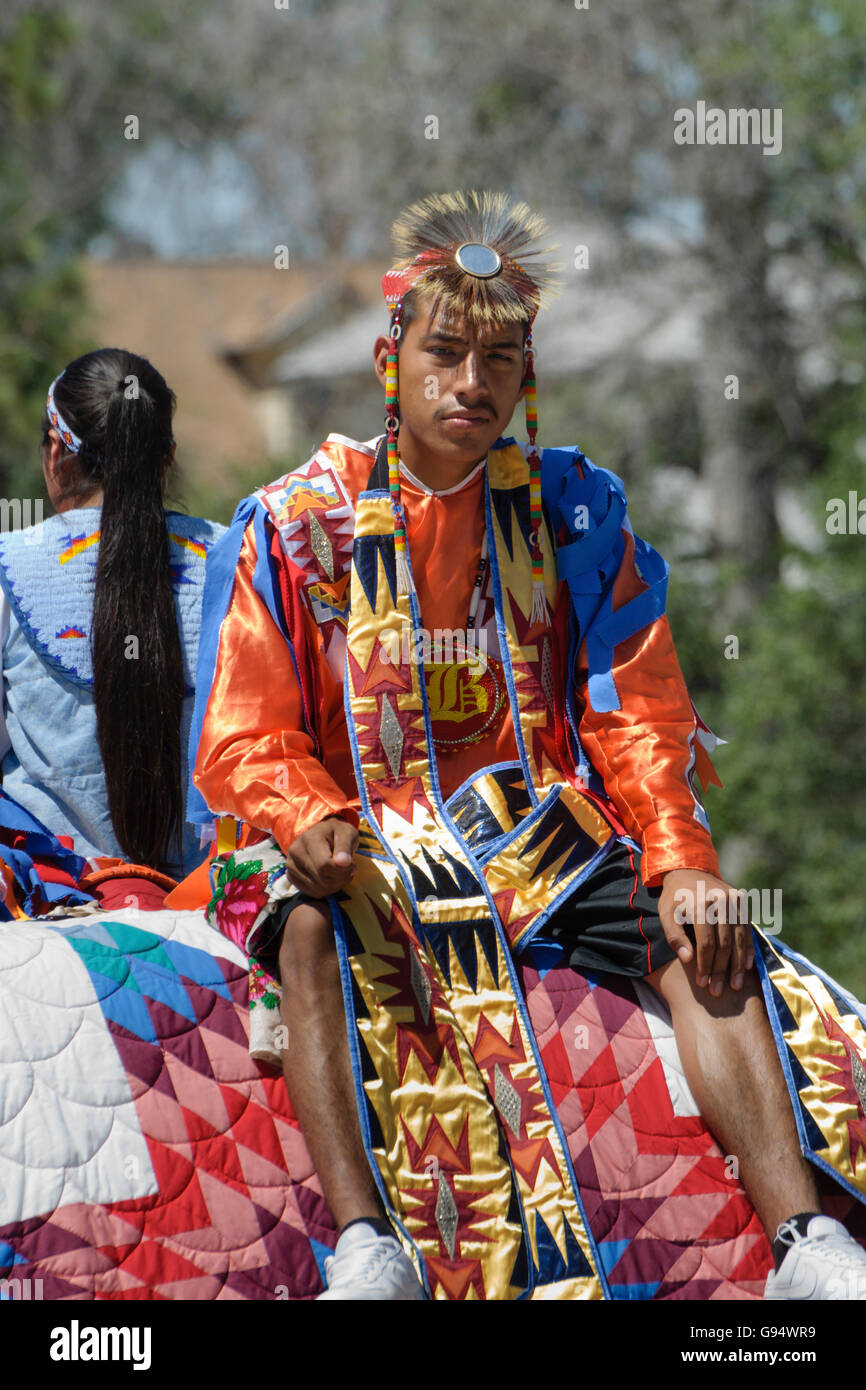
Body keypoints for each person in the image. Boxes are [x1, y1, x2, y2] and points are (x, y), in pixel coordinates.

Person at [189, 191, 866, 1300]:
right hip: (358, 835)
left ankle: (804, 1242)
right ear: (386, 358)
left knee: (703, 933)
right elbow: (247, 728)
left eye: (499, 359)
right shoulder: (294, 519)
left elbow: (634, 705)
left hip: (532, 835)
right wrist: (303, 816)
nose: (471, 383)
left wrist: (682, 857)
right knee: (302, 928)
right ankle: (364, 1246)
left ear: (526, 372)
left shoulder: (572, 506)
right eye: (445, 352)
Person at [0, 348, 225, 914]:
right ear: (166, 458)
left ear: (56, 453)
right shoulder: (237, 559)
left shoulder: (10, 566)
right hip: (214, 903)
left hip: (49, 901)